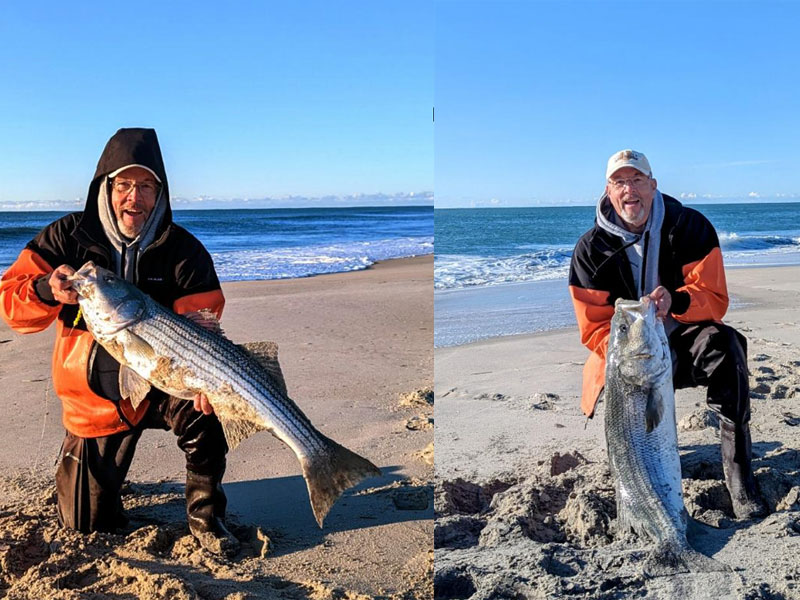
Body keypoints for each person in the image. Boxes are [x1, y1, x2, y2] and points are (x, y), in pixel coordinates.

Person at [0, 128, 239, 555]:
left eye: (146, 186)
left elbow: (205, 328)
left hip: (167, 386)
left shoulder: (185, 251)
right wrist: (42, 289)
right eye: (125, 184)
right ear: (106, 187)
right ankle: (95, 483)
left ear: (160, 192)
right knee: (85, 526)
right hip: (93, 401)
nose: (135, 196)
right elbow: (10, 305)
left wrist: (210, 383)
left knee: (213, 409)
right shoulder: (65, 237)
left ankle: (207, 519)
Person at [568, 149, 766, 520]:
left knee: (728, 346)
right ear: (608, 192)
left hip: (683, 341)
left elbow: (714, 300)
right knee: (634, 441)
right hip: (626, 356)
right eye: (619, 182)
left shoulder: (690, 227)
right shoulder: (590, 249)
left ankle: (740, 479)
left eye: (637, 180)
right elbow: (593, 327)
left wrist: (675, 300)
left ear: (653, 185)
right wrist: (631, 349)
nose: (630, 190)